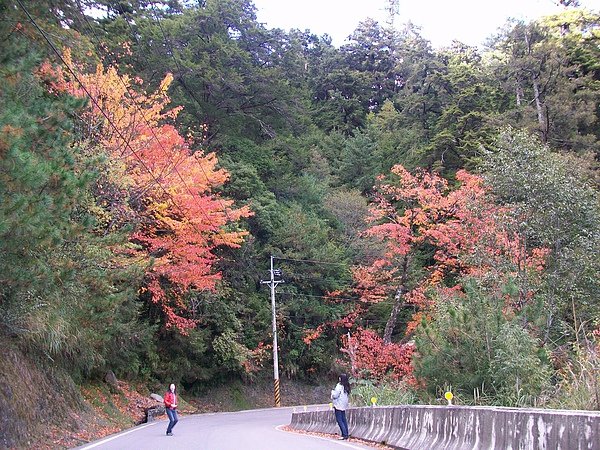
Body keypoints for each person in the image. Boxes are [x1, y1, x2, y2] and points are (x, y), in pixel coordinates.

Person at [330, 374, 351, 440]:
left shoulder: (339, 386)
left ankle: (344, 435)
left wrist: (332, 392)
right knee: (344, 420)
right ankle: (346, 434)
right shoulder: (346, 386)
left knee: (339, 420)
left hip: (338, 404)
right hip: (344, 405)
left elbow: (335, 395)